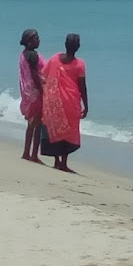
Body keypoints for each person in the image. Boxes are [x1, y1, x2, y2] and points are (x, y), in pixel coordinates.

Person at [39, 33, 88, 172]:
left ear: (65, 44)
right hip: (71, 103)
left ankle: (56, 160)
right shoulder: (80, 64)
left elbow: (44, 75)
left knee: (55, 129)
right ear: (78, 47)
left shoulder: (55, 59)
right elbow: (82, 86)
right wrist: (86, 105)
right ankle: (64, 163)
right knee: (68, 131)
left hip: (54, 102)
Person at [18, 29, 46, 163]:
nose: (38, 40)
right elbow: (35, 75)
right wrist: (42, 90)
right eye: (36, 38)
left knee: (31, 124)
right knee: (37, 124)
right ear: (29, 42)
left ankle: (26, 152)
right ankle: (33, 154)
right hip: (36, 93)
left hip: (29, 93)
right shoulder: (33, 56)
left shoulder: (24, 54)